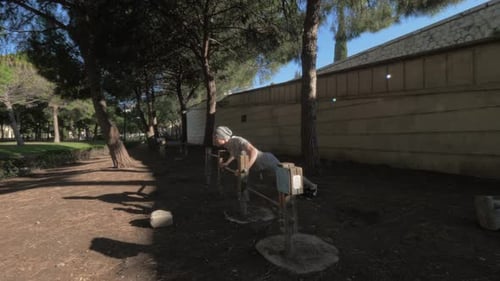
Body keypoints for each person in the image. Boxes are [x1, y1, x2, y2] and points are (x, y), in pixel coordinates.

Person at [213, 126, 318, 197]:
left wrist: (245, 169)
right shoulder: (228, 144)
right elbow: (234, 153)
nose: (214, 139)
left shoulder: (238, 140)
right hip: (259, 165)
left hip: (264, 160)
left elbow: (253, 151)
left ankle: (312, 186)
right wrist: (226, 163)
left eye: (216, 137)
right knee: (279, 180)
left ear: (223, 137)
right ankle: (296, 190)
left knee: (287, 173)